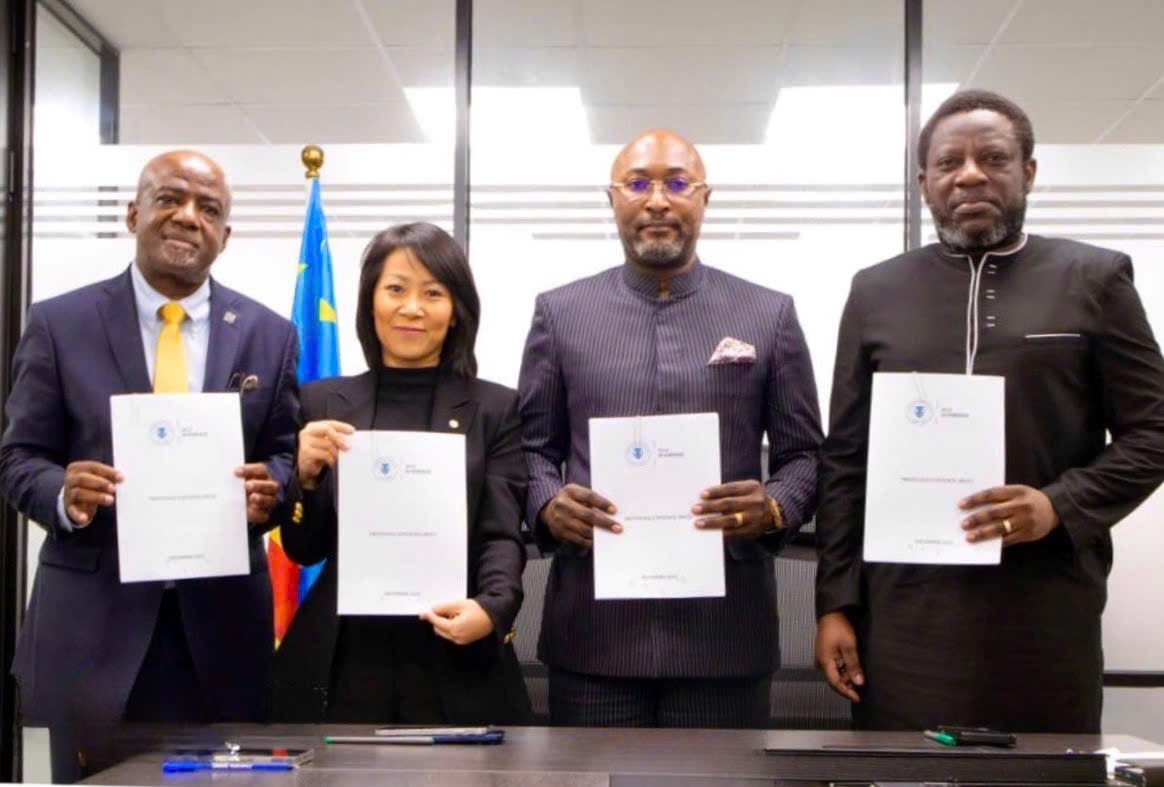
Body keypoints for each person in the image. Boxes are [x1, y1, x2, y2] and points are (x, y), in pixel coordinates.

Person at [814, 89, 1164, 733]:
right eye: (948, 163)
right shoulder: (876, 290)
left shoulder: (1096, 279)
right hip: (904, 616)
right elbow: (845, 461)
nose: (969, 174)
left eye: (993, 158)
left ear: (1027, 172)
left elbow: (1155, 433)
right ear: (924, 183)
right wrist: (834, 604)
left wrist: (1059, 504)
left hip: (1046, 608)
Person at [0, 150, 300, 781]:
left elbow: (284, 450)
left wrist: (270, 487)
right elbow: (19, 457)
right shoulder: (60, 323)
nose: (187, 217)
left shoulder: (269, 336)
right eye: (170, 199)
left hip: (218, 636)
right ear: (136, 212)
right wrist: (60, 491)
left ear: (225, 235)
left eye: (208, 209)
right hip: (92, 629)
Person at [517, 129, 822, 727]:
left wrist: (777, 506)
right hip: (594, 637)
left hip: (724, 636)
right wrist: (549, 504)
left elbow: (807, 457)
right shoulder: (561, 313)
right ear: (612, 200)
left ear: (705, 198)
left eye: (677, 183)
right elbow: (530, 450)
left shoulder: (769, 313)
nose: (657, 200)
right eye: (638, 183)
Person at [272, 222, 531, 725]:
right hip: (344, 654)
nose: (412, 308)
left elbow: (500, 532)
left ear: (455, 311)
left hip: (455, 646)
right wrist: (301, 477)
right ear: (371, 302)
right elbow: (305, 548)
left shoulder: (494, 408)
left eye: (433, 293)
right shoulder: (322, 402)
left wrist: (494, 608)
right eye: (396, 289)